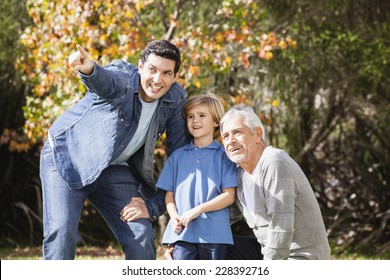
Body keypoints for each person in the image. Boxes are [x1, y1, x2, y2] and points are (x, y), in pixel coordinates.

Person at [39, 40, 191, 260]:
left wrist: (154, 206)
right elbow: (105, 81)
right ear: (140, 67)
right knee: (61, 233)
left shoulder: (175, 99)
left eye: (167, 73)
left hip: (114, 168)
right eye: (152, 70)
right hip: (68, 155)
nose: (158, 80)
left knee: (141, 235)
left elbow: (180, 158)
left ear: (175, 76)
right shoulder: (124, 79)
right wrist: (89, 68)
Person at [219, 104, 331, 260]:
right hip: (269, 252)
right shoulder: (240, 174)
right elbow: (222, 217)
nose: (230, 141)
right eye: (225, 136)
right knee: (213, 246)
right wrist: (182, 238)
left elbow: (281, 228)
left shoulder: (274, 162)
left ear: (257, 134)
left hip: (300, 258)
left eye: (237, 132)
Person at [156, 93, 238, 260]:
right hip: (182, 234)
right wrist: (173, 216)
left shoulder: (224, 156)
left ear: (216, 121)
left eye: (202, 115)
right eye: (190, 116)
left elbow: (229, 196)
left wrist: (197, 210)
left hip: (215, 235)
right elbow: (169, 195)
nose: (195, 120)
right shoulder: (176, 157)